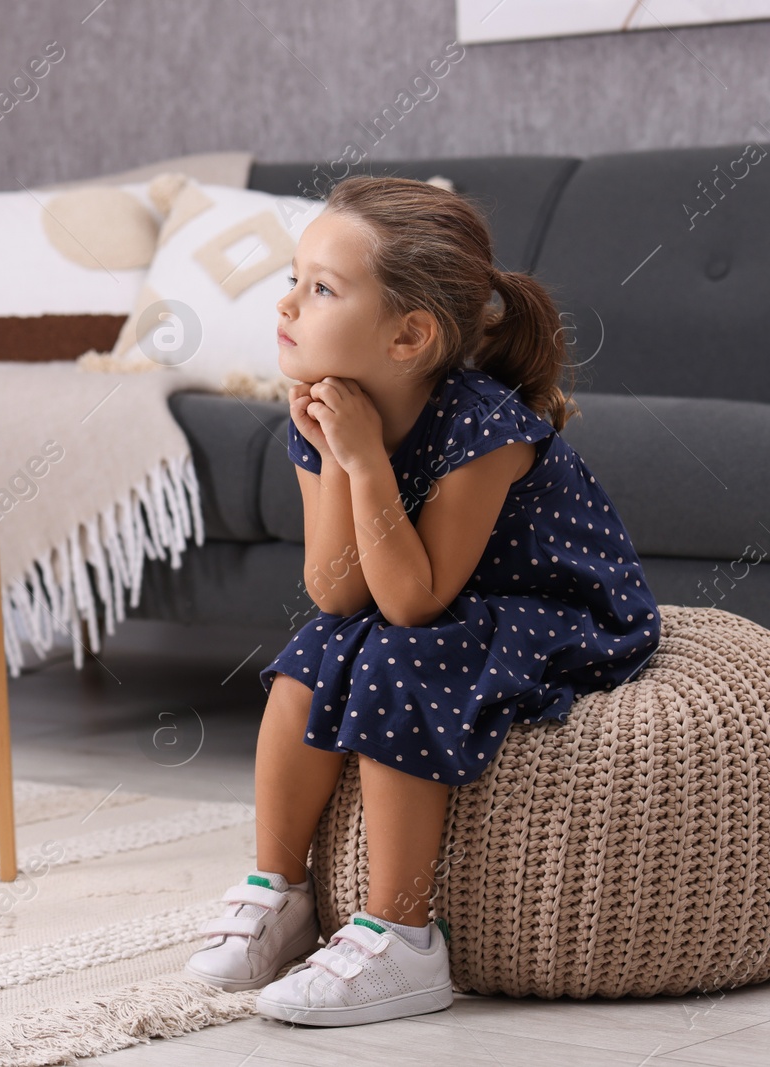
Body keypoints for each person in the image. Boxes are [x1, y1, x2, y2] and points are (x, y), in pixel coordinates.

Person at [184, 175, 661, 1027]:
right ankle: (281, 889)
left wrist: (366, 462)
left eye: (322, 288)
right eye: (295, 277)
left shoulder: (483, 427)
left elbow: (412, 604)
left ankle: (404, 939)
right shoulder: (321, 408)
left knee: (401, 660)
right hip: (449, 599)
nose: (288, 302)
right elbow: (336, 591)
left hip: (556, 608)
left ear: (408, 335)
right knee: (307, 661)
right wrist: (339, 452)